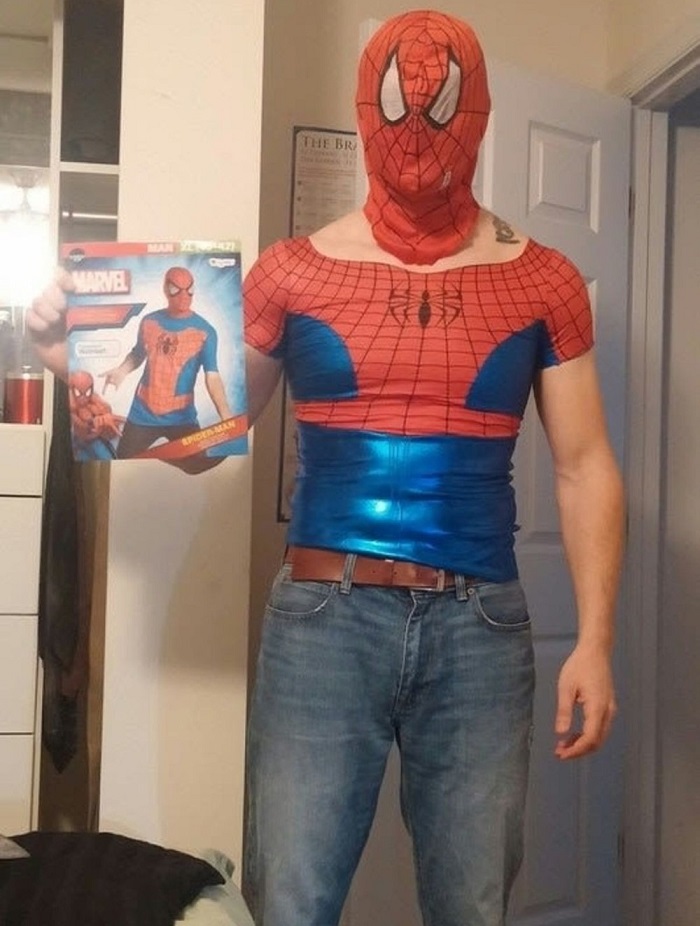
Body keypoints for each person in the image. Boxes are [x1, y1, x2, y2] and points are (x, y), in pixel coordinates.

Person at [28, 10, 624, 926]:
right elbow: (205, 438)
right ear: (364, 110)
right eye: (398, 107)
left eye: (440, 107)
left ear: (478, 110)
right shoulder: (291, 273)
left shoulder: (543, 279)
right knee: (293, 902)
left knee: (472, 907)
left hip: (479, 624)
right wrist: (68, 357)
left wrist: (595, 641)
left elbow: (584, 467)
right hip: (323, 619)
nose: (416, 131)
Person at [101, 265, 232, 459]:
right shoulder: (149, 322)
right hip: (143, 414)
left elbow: (212, 376)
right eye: (175, 289)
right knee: (124, 461)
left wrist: (225, 415)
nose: (184, 295)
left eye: (189, 289)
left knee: (198, 465)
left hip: (182, 418)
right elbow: (138, 353)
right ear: (165, 289)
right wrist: (122, 370)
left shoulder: (205, 331)